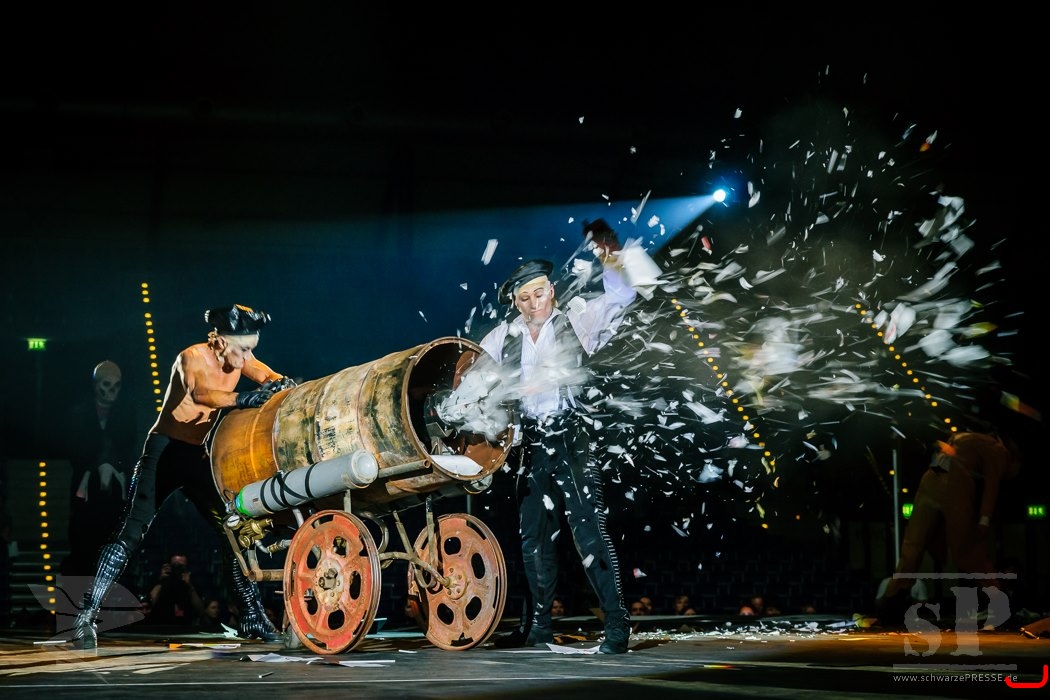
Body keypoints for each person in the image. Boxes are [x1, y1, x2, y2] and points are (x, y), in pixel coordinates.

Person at [469, 219, 658, 655]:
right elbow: (474, 380)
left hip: (570, 435)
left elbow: (622, 296)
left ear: (551, 291)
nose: (532, 303)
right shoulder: (502, 337)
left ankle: (617, 625)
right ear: (515, 303)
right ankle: (539, 628)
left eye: (538, 293)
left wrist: (611, 256)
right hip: (530, 444)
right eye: (523, 298)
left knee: (588, 530)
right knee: (533, 537)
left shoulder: (578, 318)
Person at [70, 304, 296, 649]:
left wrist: (282, 384)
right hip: (164, 451)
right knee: (130, 532)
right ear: (220, 341)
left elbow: (266, 373)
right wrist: (244, 398)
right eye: (243, 349)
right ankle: (85, 617)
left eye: (251, 349)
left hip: (196, 455)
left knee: (233, 528)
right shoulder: (190, 358)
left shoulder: (238, 355)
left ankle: (251, 615)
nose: (247, 357)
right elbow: (202, 394)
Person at [875, 430, 1021, 625]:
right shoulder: (998, 450)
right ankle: (997, 599)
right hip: (955, 483)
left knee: (913, 545)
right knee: (966, 550)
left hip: (931, 478)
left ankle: (893, 599)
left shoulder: (966, 438)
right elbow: (992, 485)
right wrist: (984, 519)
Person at [61, 360, 140, 576]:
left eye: (116, 386)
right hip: (88, 487)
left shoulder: (125, 414)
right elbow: (73, 448)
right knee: (84, 534)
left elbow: (130, 446)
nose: (111, 391)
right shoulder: (79, 414)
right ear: (96, 385)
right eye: (107, 385)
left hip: (114, 489)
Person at [148, 553, 205, 626]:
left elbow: (200, 611)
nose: (177, 568)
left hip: (185, 627)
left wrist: (189, 585)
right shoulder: (161, 580)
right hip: (162, 626)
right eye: (174, 565)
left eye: (181, 566)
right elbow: (150, 605)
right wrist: (161, 581)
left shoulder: (192, 581)